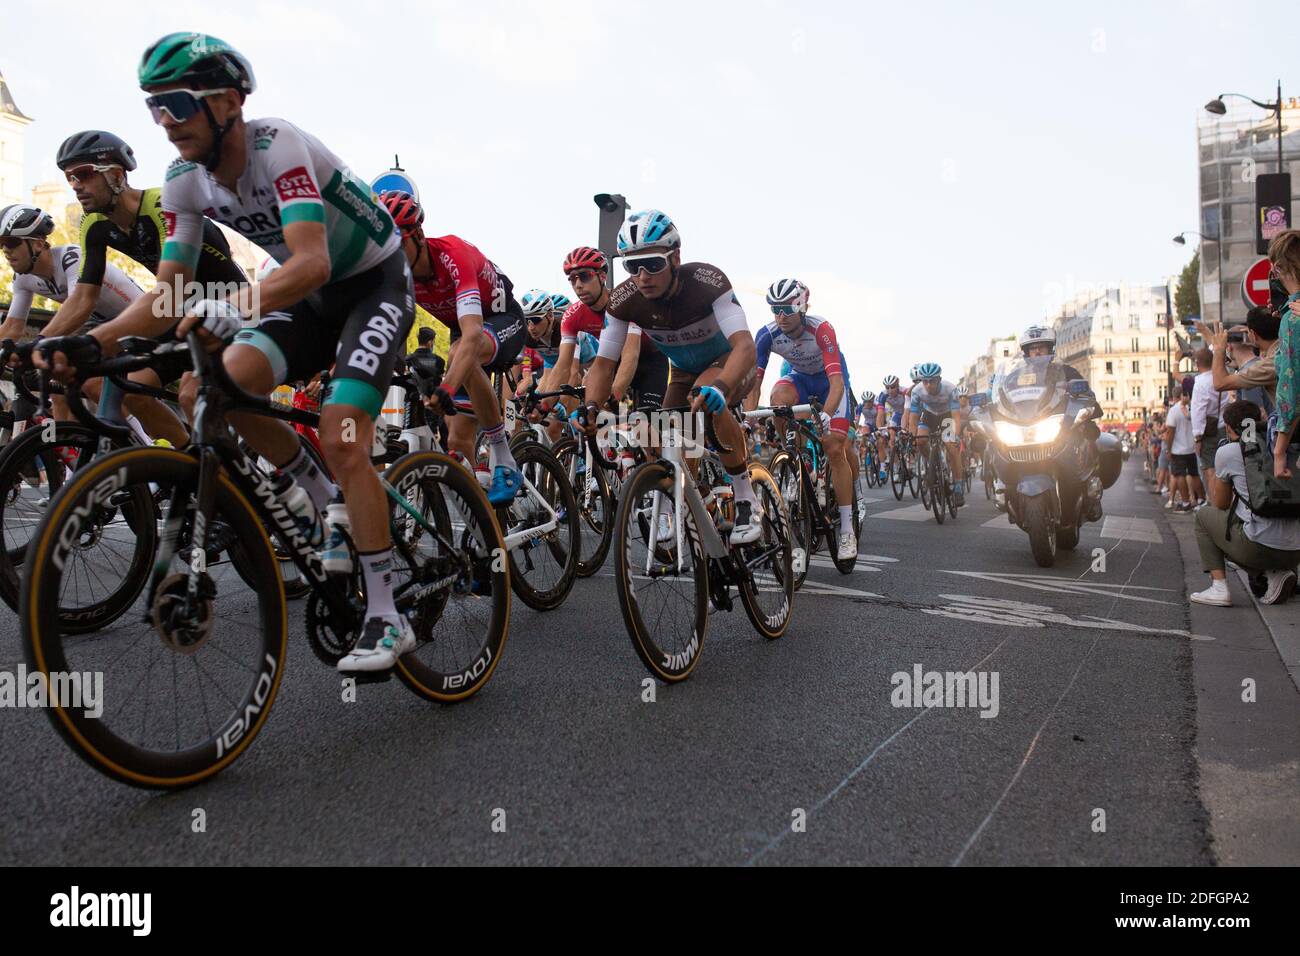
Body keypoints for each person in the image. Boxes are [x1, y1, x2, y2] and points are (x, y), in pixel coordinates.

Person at [76, 32, 416, 675]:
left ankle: (386, 614)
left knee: (344, 434)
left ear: (229, 101)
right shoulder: (183, 181)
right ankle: (324, 504)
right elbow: (168, 293)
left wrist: (236, 306)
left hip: (370, 283)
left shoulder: (276, 145)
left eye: (177, 103)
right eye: (154, 108)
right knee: (215, 392)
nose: (166, 123)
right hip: (306, 295)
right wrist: (90, 340)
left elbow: (313, 261)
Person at [581, 209, 761, 544]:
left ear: (675, 257)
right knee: (661, 435)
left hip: (729, 362)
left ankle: (746, 496)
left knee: (706, 396)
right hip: (683, 370)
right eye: (632, 266)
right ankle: (690, 506)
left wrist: (722, 387)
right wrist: (591, 406)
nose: (643, 275)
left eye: (652, 263)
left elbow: (745, 347)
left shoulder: (707, 283)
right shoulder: (623, 302)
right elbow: (604, 364)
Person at [377, 190, 525, 503]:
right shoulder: (396, 275)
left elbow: (471, 336)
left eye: (396, 242)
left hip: (502, 319)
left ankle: (504, 458)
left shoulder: (452, 254)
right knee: (456, 439)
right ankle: (482, 517)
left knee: (460, 352)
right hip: (466, 331)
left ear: (418, 234)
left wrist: (446, 387)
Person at [747, 277, 858, 559]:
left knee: (834, 446)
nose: (780, 315)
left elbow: (836, 384)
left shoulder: (821, 329)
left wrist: (826, 415)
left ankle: (846, 529)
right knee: (779, 398)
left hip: (830, 384)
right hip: (800, 380)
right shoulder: (767, 334)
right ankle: (791, 455)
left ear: (801, 306)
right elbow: (754, 384)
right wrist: (747, 419)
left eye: (786, 308)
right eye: (775, 309)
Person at [1191, 400, 1300, 606]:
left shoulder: (1229, 452)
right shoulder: (1281, 447)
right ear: (1258, 421)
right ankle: (1277, 573)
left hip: (1259, 548)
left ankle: (1219, 588)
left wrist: (1221, 471)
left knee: (1204, 517)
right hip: (1296, 551)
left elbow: (1220, 504)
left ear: (1229, 428)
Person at [906, 362, 964, 507]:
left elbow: (956, 417)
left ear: (939, 379)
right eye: (925, 380)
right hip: (929, 415)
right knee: (920, 441)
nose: (928, 384)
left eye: (932, 381)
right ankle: (932, 463)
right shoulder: (917, 391)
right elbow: (913, 418)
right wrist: (912, 437)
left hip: (946, 416)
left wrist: (956, 436)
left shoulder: (950, 389)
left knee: (951, 447)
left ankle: (958, 486)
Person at [1190, 347, 1224, 491]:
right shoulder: (1221, 377)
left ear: (1197, 363)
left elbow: (1198, 412)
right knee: (1224, 468)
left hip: (1208, 433)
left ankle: (1216, 502)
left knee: (1210, 469)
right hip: (1225, 427)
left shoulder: (1200, 384)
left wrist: (1197, 438)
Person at [1164, 387, 1200, 512]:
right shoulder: (1192, 408)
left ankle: (1185, 503)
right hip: (1192, 447)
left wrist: (1168, 449)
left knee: (1179, 475)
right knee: (1194, 474)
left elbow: (1170, 432)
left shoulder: (1174, 411)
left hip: (1178, 449)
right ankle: (1201, 499)